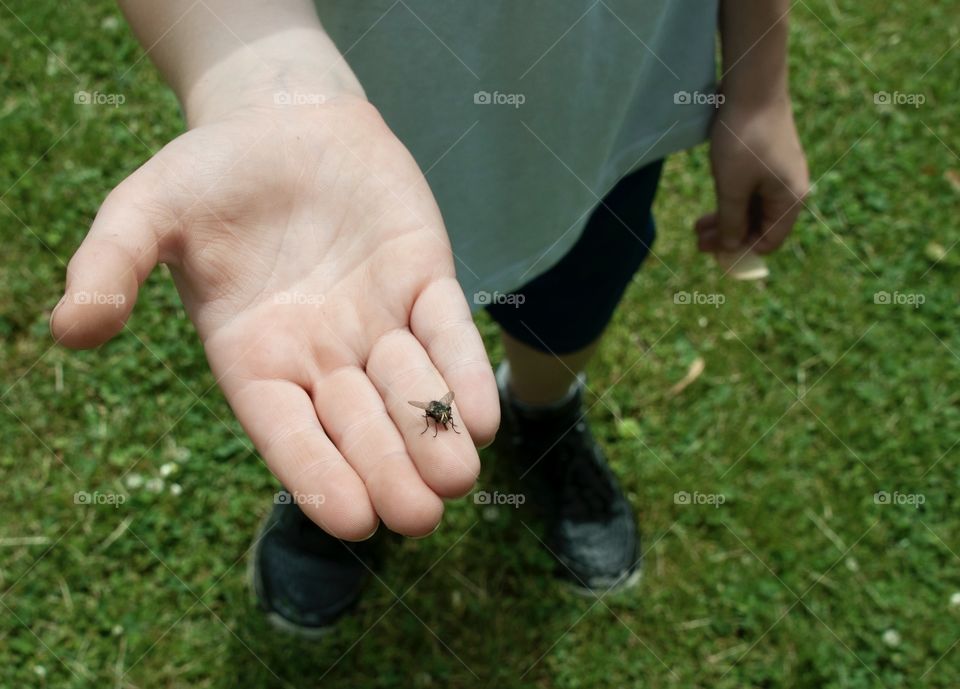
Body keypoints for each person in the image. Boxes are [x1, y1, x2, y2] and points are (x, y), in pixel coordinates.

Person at [51, 0, 808, 635]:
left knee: (576, 294)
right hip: (361, 118)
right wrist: (259, 74)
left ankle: (542, 415)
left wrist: (760, 86)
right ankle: (348, 469)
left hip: (603, 110)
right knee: (364, 346)